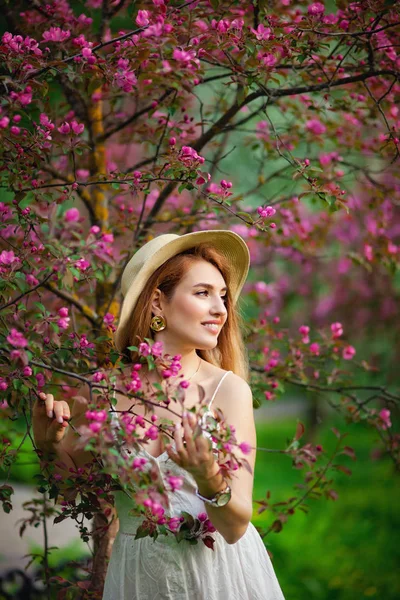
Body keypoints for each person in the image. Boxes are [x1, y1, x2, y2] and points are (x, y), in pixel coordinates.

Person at [33, 229, 286, 600]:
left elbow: (235, 527)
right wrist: (46, 443)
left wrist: (208, 475)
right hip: (137, 577)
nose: (220, 309)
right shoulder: (103, 391)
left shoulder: (228, 391)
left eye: (223, 296)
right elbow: (69, 488)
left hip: (218, 577)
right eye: (203, 293)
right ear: (156, 302)